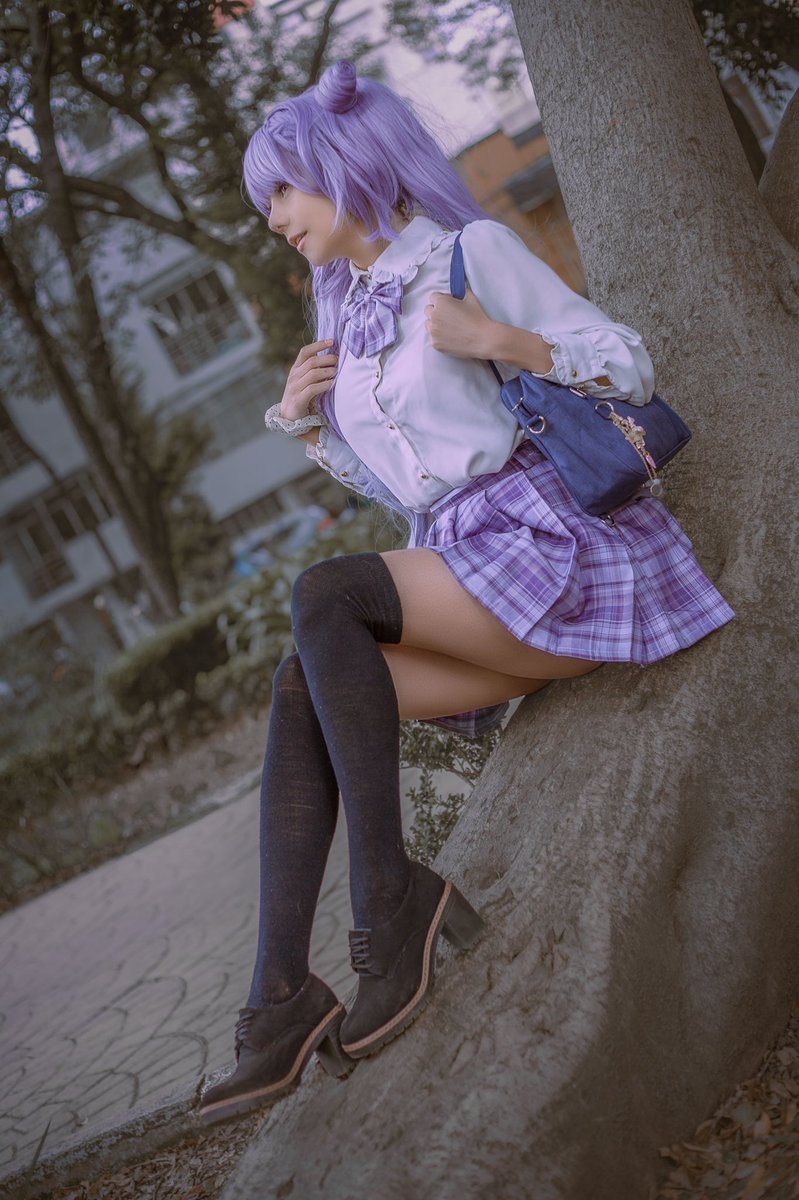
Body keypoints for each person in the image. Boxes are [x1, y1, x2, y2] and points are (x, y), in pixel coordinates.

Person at [198, 60, 734, 1124]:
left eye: (283, 192)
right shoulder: (346, 315)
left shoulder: (465, 253)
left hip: (563, 556)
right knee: (301, 678)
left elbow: (626, 363)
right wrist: (309, 426)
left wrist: (499, 341)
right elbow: (413, 486)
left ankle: (390, 904)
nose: (274, 220)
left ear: (341, 167)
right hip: (474, 570)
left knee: (323, 595)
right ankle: (279, 996)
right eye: (266, 204)